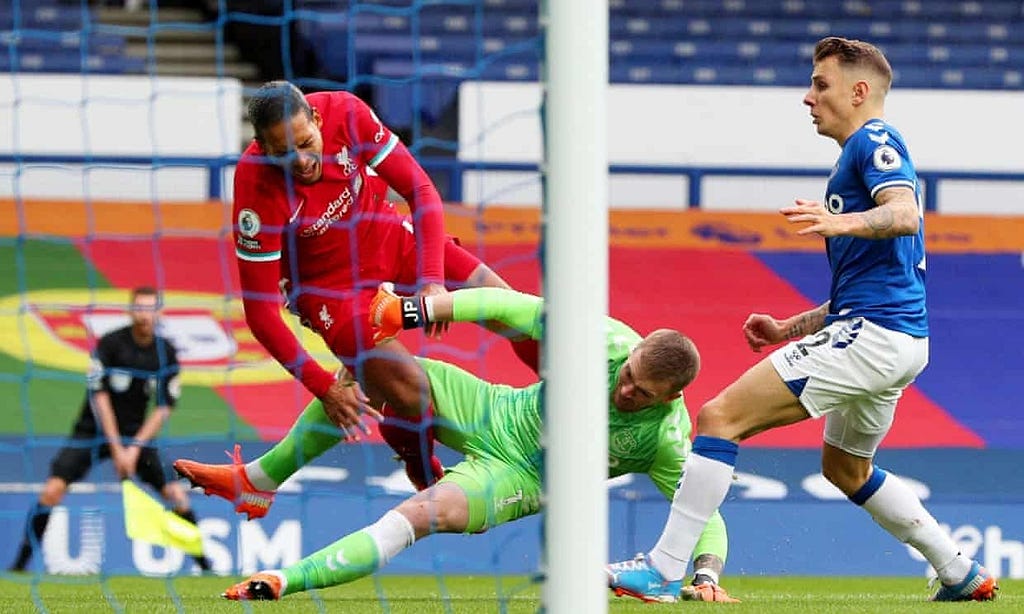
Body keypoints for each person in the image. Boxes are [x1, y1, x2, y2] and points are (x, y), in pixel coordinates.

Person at [606, 36, 999, 603]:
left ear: (859, 91)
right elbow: (868, 287)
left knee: (719, 417)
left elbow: (905, 214)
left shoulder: (876, 141)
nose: (808, 97)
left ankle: (664, 567)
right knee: (846, 469)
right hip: (897, 339)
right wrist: (789, 329)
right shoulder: (853, 160)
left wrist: (841, 223)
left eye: (821, 84)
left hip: (873, 340)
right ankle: (958, 570)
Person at [211, 285, 736, 602]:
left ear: (673, 397)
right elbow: (509, 307)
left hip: (522, 477)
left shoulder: (667, 437)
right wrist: (415, 310)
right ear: (634, 351)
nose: (625, 390)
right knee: (371, 370)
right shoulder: (610, 341)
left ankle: (283, 581)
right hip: (493, 407)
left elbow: (702, 511)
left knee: (418, 515)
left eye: (641, 393)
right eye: (627, 375)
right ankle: (257, 481)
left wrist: (706, 572)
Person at [203, 79, 537, 506]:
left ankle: (570, 408)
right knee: (411, 392)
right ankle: (422, 470)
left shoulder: (348, 112)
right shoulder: (256, 188)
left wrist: (432, 282)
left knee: (510, 306)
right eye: (284, 153)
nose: (302, 160)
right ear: (263, 148)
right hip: (330, 291)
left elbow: (421, 191)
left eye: (307, 143)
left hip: (386, 234)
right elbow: (262, 314)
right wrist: (324, 387)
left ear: (318, 120)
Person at [8, 287, 211, 573]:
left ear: (159, 312)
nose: (144, 315)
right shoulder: (111, 344)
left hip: (136, 438)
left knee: (176, 495)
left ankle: (207, 567)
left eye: (150, 308)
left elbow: (164, 407)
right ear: (130, 311)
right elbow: (99, 397)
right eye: (139, 308)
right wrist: (118, 449)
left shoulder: (166, 352)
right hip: (92, 432)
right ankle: (19, 566)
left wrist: (134, 449)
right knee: (52, 490)